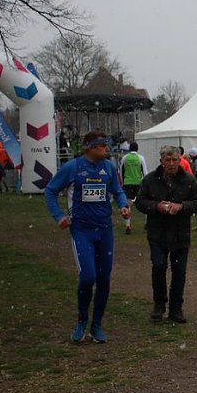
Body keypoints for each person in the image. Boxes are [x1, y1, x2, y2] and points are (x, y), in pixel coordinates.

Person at [44, 131, 130, 343]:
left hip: (105, 229)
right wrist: (59, 216)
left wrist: (123, 205)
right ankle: (82, 319)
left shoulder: (109, 167)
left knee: (104, 278)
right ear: (90, 147)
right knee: (88, 276)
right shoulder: (72, 167)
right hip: (82, 230)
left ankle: (97, 325)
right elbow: (50, 191)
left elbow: (117, 190)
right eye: (103, 146)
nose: (107, 149)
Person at [134, 146, 197, 323]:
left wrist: (182, 207)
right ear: (161, 161)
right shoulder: (150, 180)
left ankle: (176, 308)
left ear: (180, 161)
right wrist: (156, 206)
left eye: (174, 160)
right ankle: (159, 304)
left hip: (181, 233)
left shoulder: (188, 180)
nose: (171, 164)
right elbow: (140, 202)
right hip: (157, 232)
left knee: (179, 272)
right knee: (158, 267)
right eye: (167, 160)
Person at [120, 142, 149, 235]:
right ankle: (147, 223)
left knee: (127, 205)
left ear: (129, 148)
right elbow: (145, 172)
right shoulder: (141, 158)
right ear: (137, 148)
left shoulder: (124, 158)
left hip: (127, 183)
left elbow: (121, 171)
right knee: (144, 202)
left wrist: (122, 182)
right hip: (138, 183)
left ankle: (128, 225)